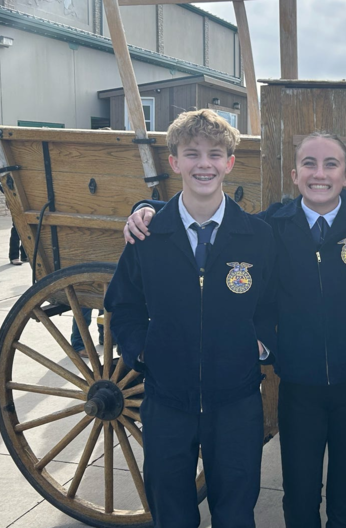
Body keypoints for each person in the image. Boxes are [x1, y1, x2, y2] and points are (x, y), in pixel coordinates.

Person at [124, 133, 346, 528]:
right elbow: (212, 215)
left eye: (331, 164)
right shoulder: (272, 226)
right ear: (294, 175)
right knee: (299, 494)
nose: (320, 174)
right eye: (309, 164)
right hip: (299, 386)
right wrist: (147, 208)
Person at [105, 109, 277, 528]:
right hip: (167, 399)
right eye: (192, 154)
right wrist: (141, 350)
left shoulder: (257, 237)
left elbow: (274, 304)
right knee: (170, 512)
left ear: (230, 163)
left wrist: (260, 344)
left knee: (236, 513)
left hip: (236, 400)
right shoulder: (148, 236)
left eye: (215, 154)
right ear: (174, 161)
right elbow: (123, 304)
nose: (204, 164)